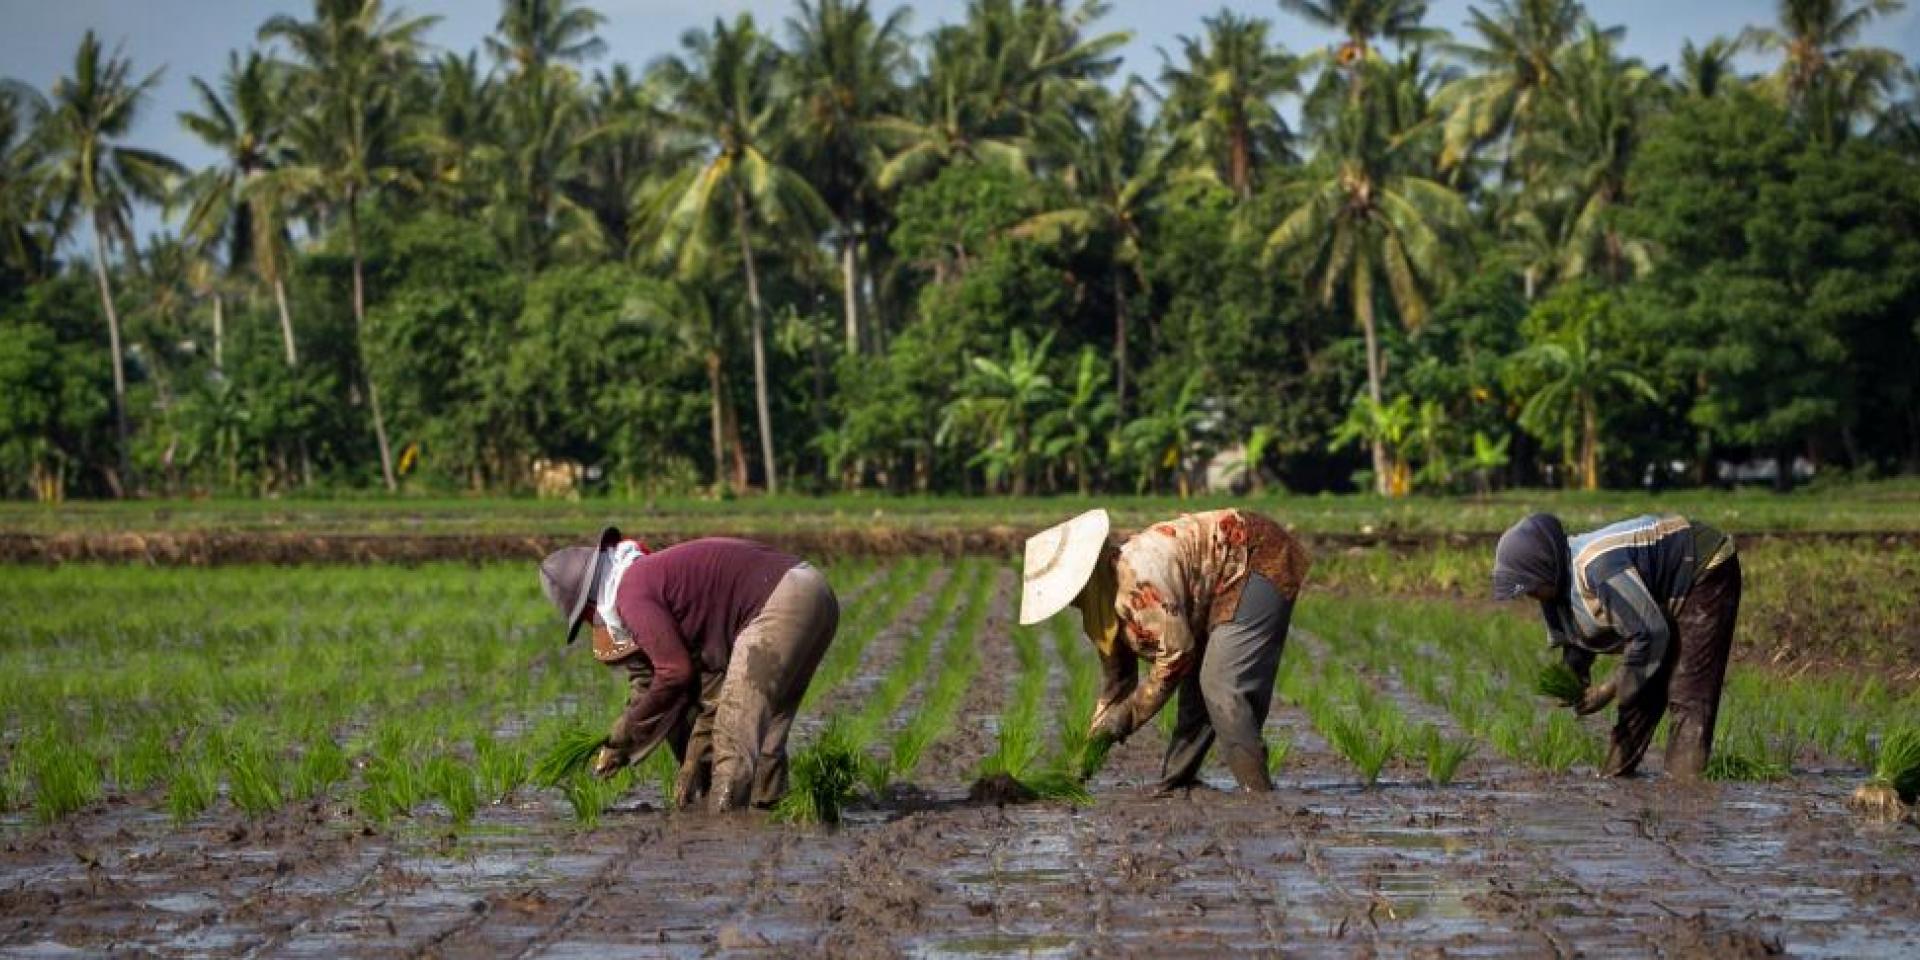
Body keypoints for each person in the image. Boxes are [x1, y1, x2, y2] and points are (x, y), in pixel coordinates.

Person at [538, 528, 838, 812]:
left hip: (779, 602)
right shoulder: (649, 576)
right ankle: (770, 818)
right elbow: (693, 685)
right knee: (767, 735)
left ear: (590, 602)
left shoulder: (631, 594)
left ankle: (725, 833)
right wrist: (688, 760)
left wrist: (624, 732)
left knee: (733, 738)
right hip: (812, 589)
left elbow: (674, 673)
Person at [1019, 509, 1311, 792]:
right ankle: (1176, 782)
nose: (1071, 602)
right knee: (1200, 684)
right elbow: (1117, 685)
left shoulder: (1137, 583)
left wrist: (1127, 718)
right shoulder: (1102, 612)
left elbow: (1178, 655)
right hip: (1213, 589)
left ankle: (1258, 792)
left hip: (1253, 557)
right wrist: (1087, 754)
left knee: (1221, 684)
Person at [1491, 512, 1741, 781]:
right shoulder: (1556, 592)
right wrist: (1573, 681)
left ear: (1546, 568)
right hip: (1656, 603)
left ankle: (1684, 787)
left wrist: (1606, 690)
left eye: (1532, 587)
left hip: (1702, 568)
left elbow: (1650, 634)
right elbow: (1577, 643)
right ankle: (1613, 777)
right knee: (1638, 692)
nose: (1530, 596)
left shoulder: (1598, 568)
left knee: (1687, 692)